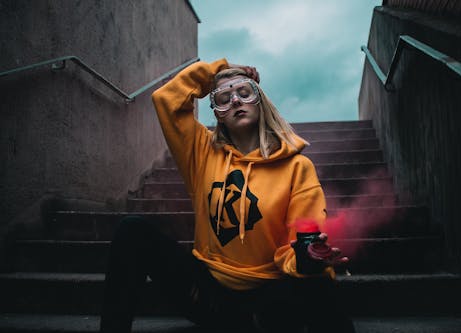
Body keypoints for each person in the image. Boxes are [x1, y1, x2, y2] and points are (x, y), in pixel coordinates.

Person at [99, 58, 354, 333]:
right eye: (223, 98)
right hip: (208, 295)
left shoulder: (297, 167)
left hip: (269, 296)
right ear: (218, 113)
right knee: (132, 230)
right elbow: (166, 100)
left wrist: (308, 258)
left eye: (244, 93)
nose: (235, 101)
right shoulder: (201, 152)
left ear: (260, 101)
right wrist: (218, 71)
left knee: (318, 281)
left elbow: (302, 239)